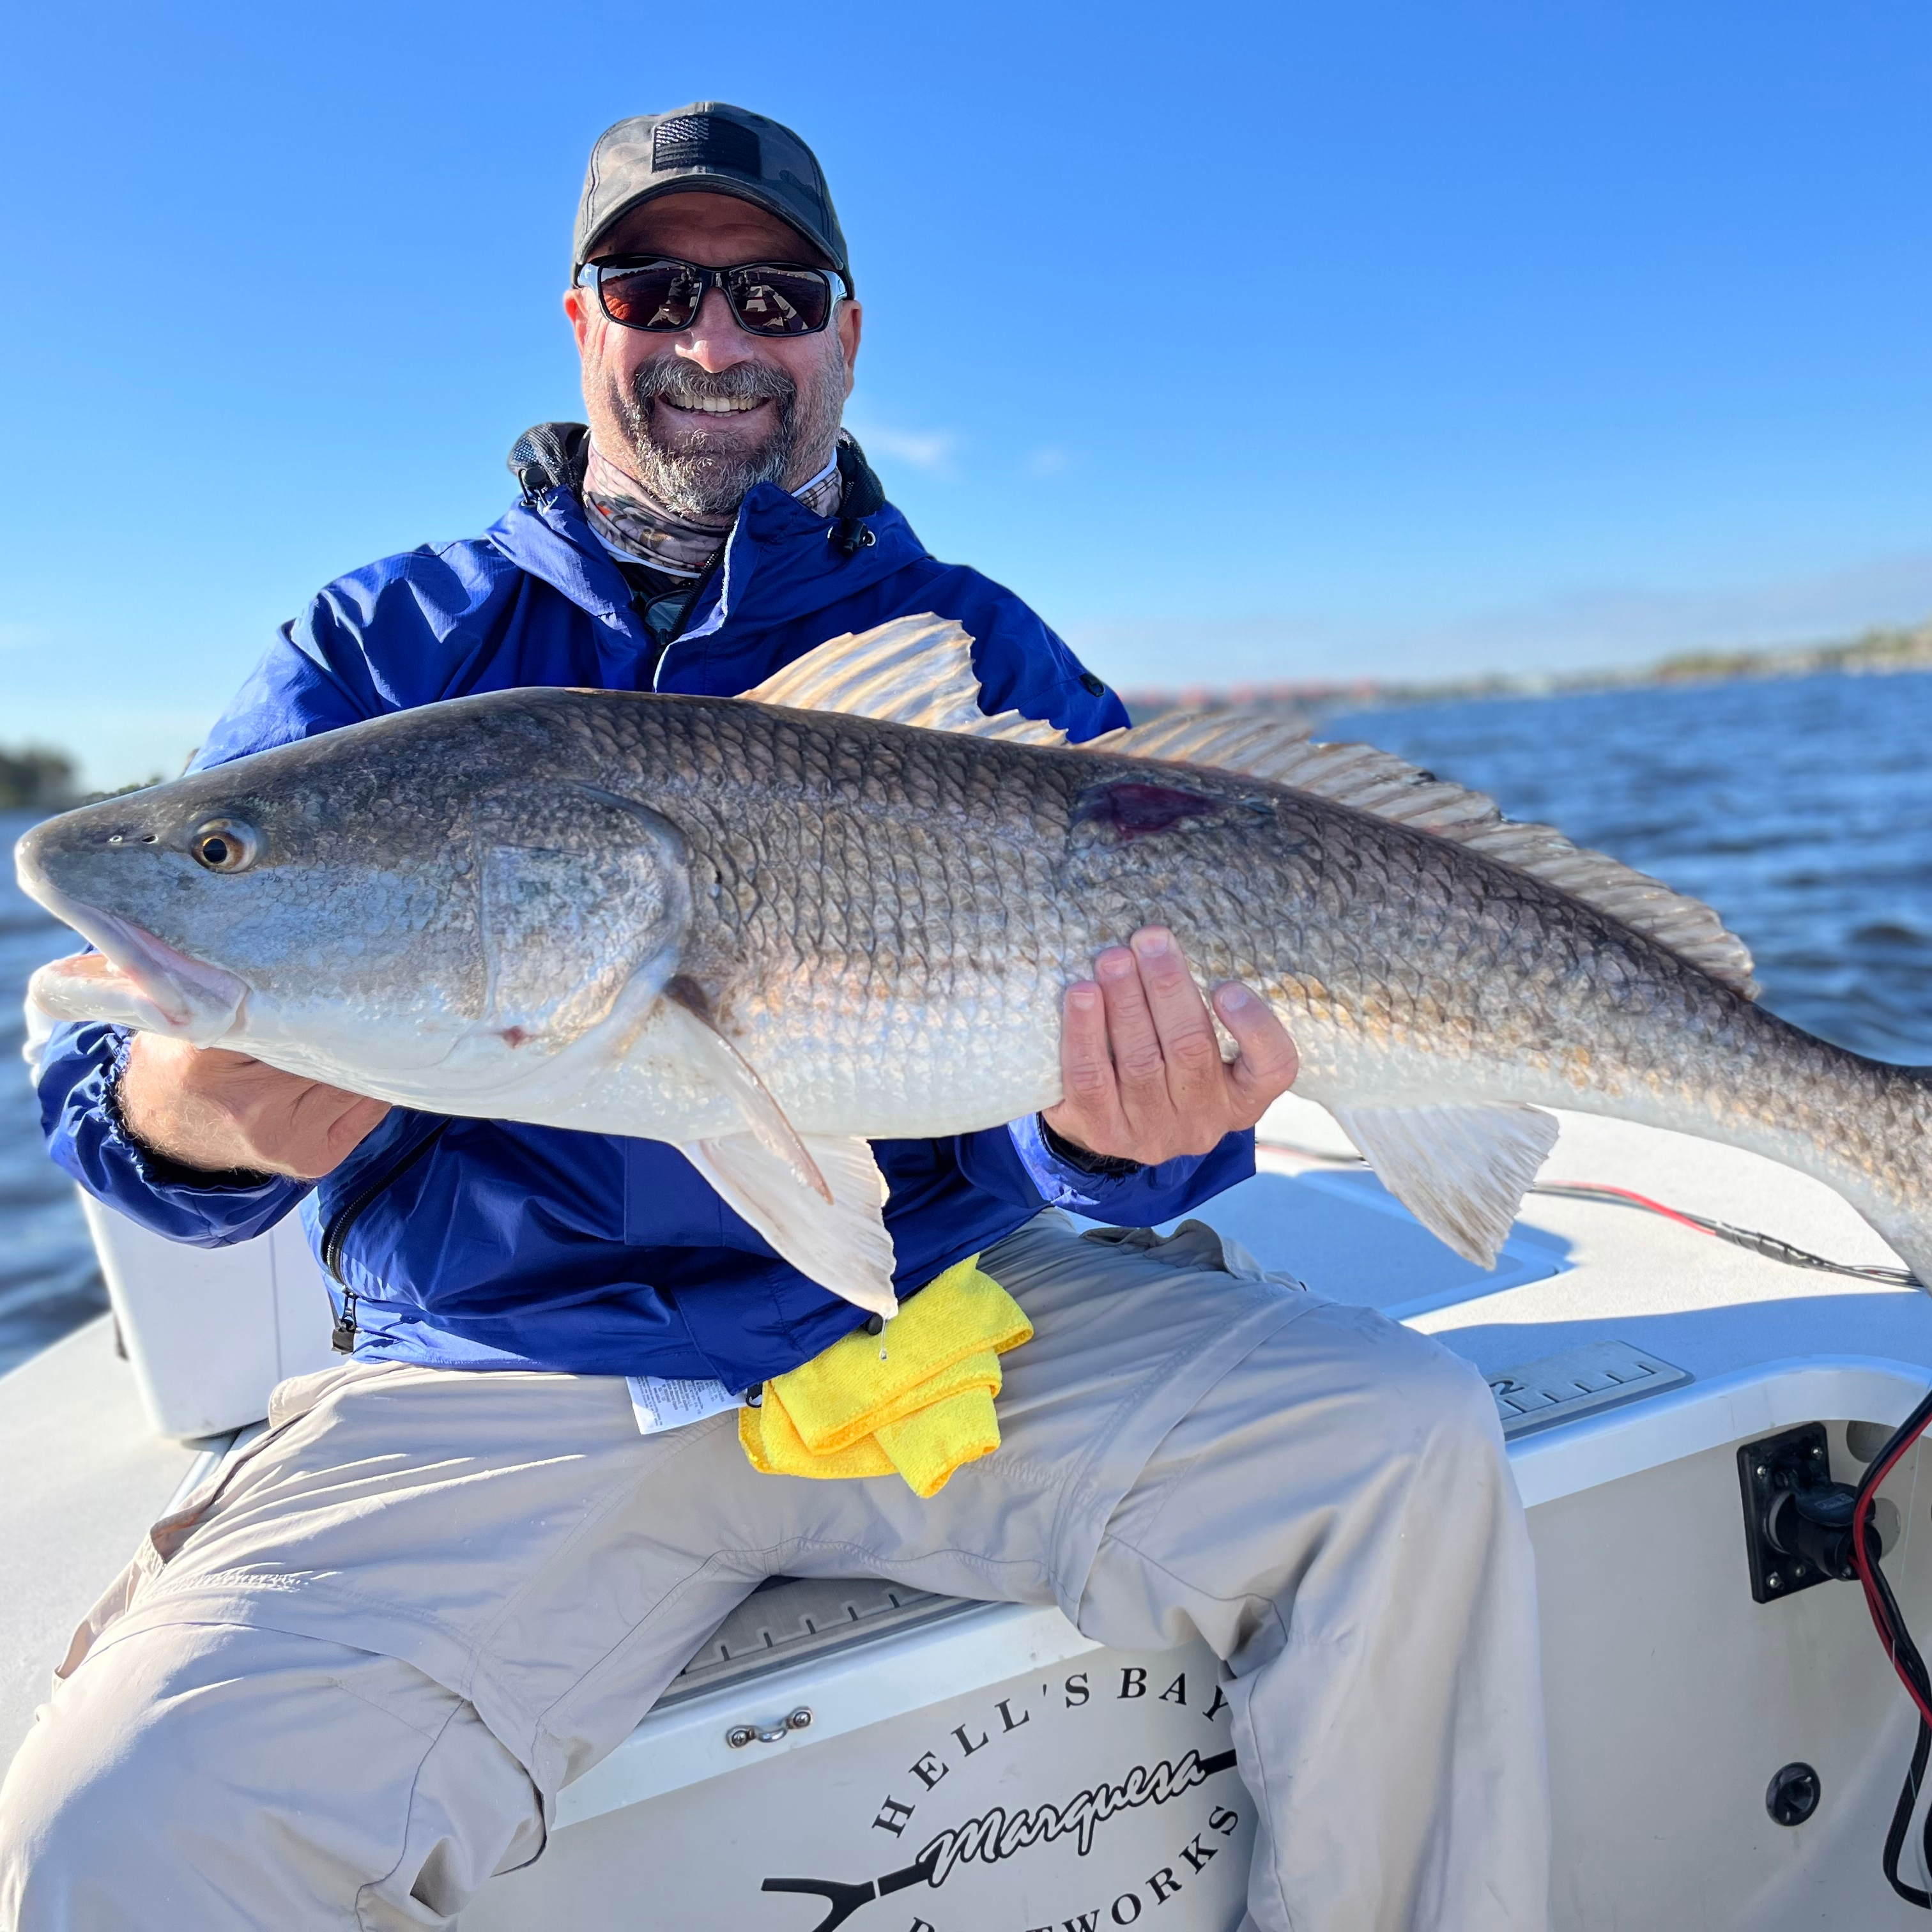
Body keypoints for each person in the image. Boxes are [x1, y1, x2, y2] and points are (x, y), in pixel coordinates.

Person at [0, 104, 1549, 1930]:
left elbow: (1152, 1143)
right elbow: (127, 1106)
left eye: (773, 294)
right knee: (122, 1831)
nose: (714, 342)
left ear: (845, 337)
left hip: (951, 1332)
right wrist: (192, 1112)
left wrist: (1135, 1138)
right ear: (583, 324)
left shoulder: (972, 649)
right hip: (506, 1376)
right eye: (656, 289)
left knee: (1402, 1445)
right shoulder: (380, 652)